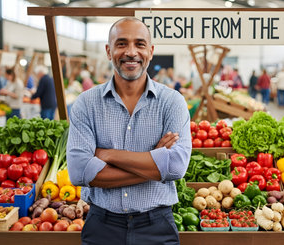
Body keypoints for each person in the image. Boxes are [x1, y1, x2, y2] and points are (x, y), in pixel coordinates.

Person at [66, 17, 192, 245]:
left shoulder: (172, 102)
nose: (131, 52)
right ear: (108, 50)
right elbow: (79, 172)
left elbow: (175, 167)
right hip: (101, 226)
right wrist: (154, 161)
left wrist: (108, 155)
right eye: (122, 43)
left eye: (140, 44)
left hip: (157, 226)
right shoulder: (86, 103)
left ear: (151, 51)